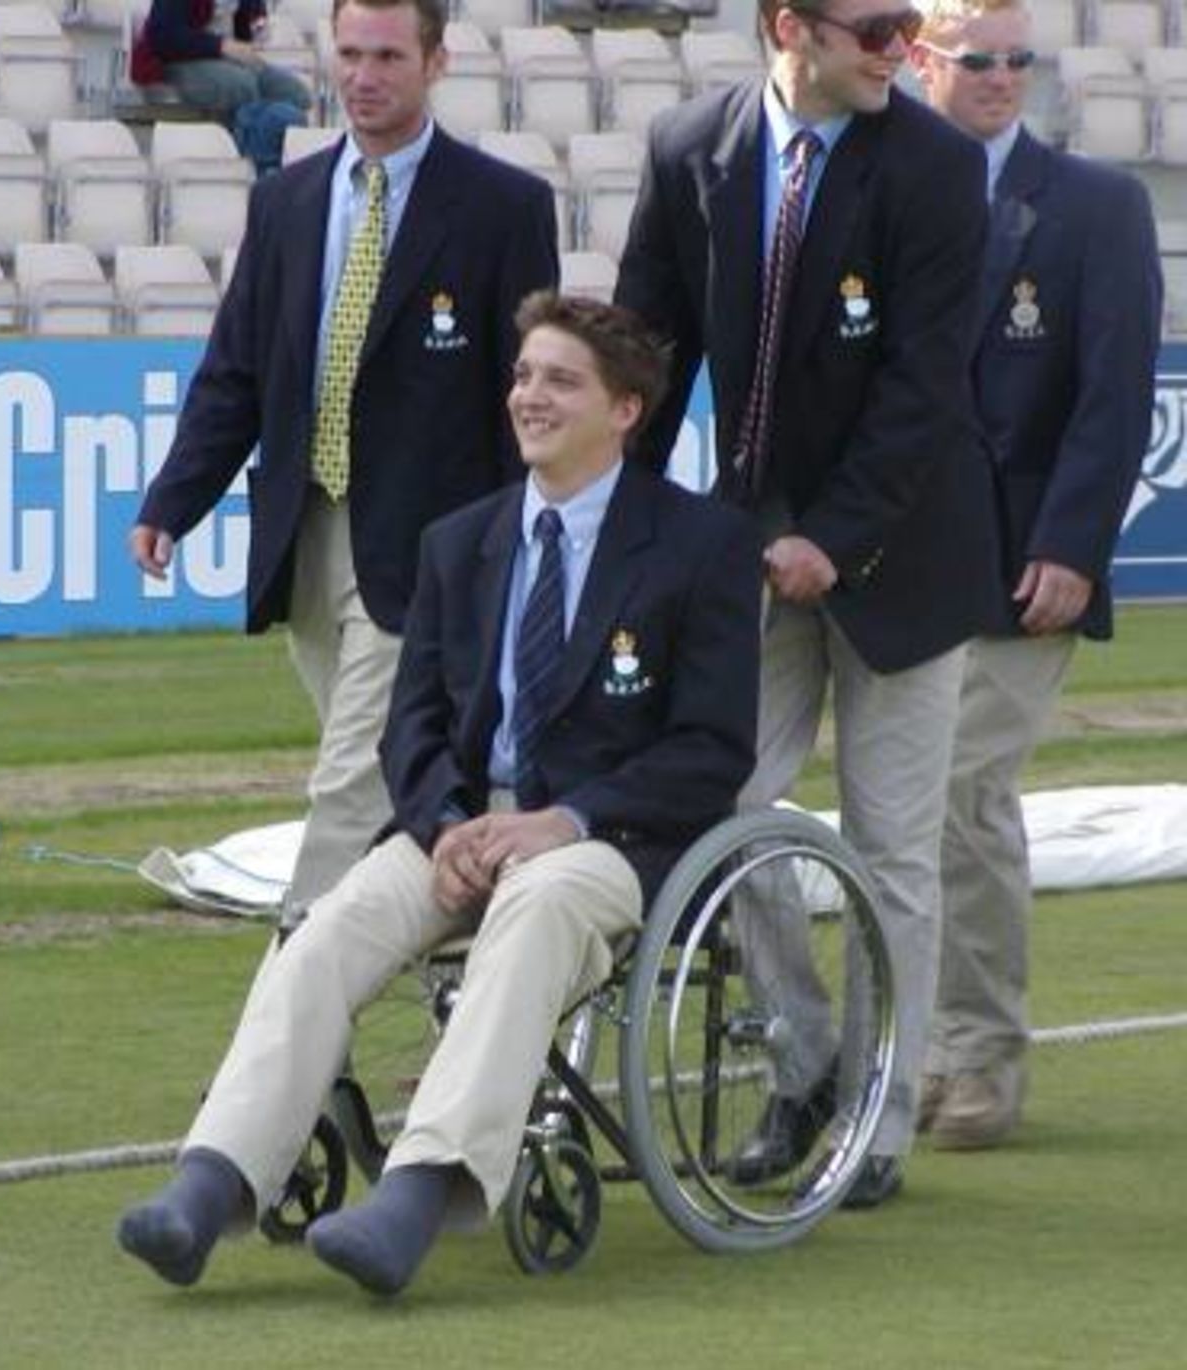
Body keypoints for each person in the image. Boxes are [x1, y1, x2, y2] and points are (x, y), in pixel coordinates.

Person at [116, 291, 762, 1297]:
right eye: (522, 374)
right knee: (328, 927)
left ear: (626, 409)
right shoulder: (458, 541)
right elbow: (410, 726)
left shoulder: (700, 544)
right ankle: (211, 1183)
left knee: (540, 902)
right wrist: (448, 823)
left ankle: (419, 1189)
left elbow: (712, 749)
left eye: (559, 379)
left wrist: (563, 819)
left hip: (610, 837)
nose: (528, 396)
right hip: (462, 827)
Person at [615, 0, 1003, 1207]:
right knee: (723, 796)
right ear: (790, 25)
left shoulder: (933, 166)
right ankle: (805, 1062)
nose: (898, 46)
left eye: (903, 24)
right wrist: (616, 526)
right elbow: (646, 353)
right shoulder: (692, 147)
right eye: (873, 25)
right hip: (749, 547)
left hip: (906, 557)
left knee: (892, 850)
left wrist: (831, 539)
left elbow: (924, 383)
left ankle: (876, 1122)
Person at [130, 0, 559, 919]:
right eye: (351, 53)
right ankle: (471, 986)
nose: (364, 75)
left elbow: (528, 393)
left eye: (389, 56)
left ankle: (293, 1018)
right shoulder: (284, 200)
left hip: (433, 548)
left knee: (349, 781)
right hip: (307, 534)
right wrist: (172, 500)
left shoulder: (503, 208)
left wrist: (524, 542)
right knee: (405, 788)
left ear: (437, 62)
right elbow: (237, 370)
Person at [910, 0, 1162, 1149]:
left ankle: (975, 1062)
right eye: (978, 60)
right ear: (922, 62)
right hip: (888, 565)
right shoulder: (876, 190)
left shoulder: (1096, 206)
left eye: (1017, 59)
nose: (1001, 77)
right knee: (892, 818)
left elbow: (1113, 400)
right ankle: (895, 1057)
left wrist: (1070, 543)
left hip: (1021, 566)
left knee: (961, 799)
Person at [132, 0, 313, 135]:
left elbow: (253, 22)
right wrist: (222, 46)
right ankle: (249, 159)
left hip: (230, 58)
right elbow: (163, 36)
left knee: (295, 94)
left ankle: (274, 162)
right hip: (180, 59)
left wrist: (258, 26)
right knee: (241, 86)